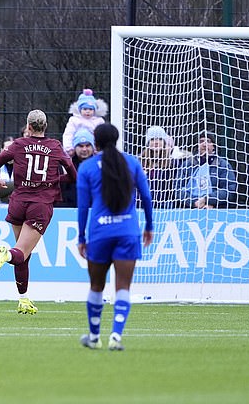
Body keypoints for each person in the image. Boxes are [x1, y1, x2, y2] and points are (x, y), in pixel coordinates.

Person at [0, 110, 76, 314]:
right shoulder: (54, 146)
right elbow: (72, 174)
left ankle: (23, 299)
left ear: (28, 127)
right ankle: (6, 254)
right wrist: (53, 181)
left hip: (18, 201)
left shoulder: (18, 144)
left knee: (23, 254)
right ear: (45, 126)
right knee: (18, 253)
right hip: (40, 205)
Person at [77, 123, 154, 351]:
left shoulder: (87, 167)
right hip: (128, 231)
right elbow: (147, 198)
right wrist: (149, 226)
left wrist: (81, 237)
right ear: (117, 139)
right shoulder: (131, 162)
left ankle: (93, 337)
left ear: (95, 143)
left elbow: (83, 207)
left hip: (100, 233)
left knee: (96, 286)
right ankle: (116, 337)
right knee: (123, 287)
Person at [176, 131, 237, 209]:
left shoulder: (223, 165)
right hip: (189, 209)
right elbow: (178, 189)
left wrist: (208, 200)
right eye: (201, 141)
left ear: (213, 146)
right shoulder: (187, 164)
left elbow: (230, 189)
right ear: (197, 145)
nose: (204, 144)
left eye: (208, 141)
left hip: (216, 210)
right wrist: (194, 203)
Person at [140, 127, 180, 209]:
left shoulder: (173, 164)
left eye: (160, 139)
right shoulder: (139, 162)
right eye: (153, 139)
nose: (156, 142)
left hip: (165, 206)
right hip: (142, 205)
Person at [56, 128, 95, 208]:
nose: (84, 149)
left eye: (87, 145)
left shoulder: (99, 167)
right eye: (80, 146)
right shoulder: (66, 167)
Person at [62, 88, 107, 156]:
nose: (87, 111)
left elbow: (102, 136)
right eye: (85, 109)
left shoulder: (99, 121)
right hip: (76, 149)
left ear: (95, 110)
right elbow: (68, 134)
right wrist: (69, 148)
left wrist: (100, 148)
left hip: (94, 150)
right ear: (80, 110)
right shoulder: (74, 120)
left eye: (90, 109)